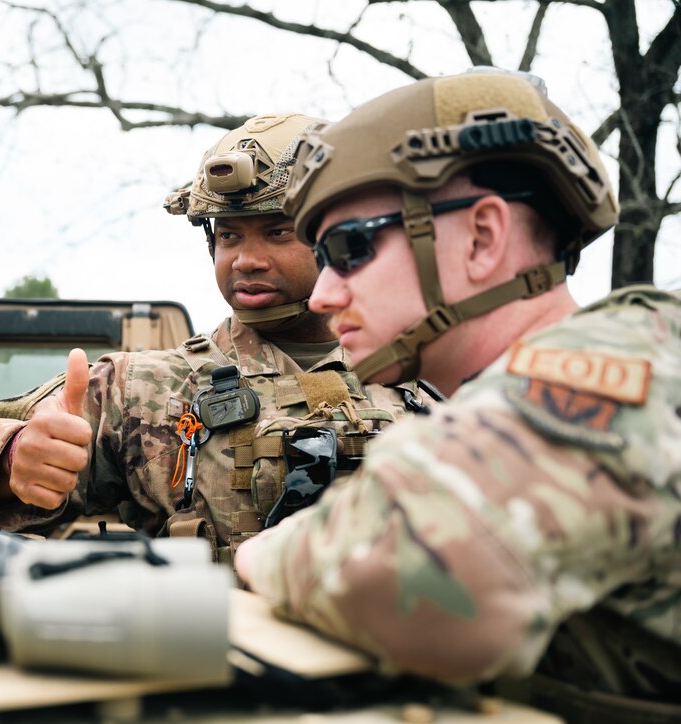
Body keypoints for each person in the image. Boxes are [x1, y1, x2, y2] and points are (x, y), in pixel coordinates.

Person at [234, 72, 681, 719]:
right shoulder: (529, 380)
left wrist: (267, 553)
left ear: (482, 238)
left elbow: (419, 580)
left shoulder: (614, 367)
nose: (324, 294)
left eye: (349, 248)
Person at [0, 113, 430, 562]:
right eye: (230, 235)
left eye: (278, 232)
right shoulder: (147, 387)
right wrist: (18, 458)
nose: (245, 259)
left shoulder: (419, 369)